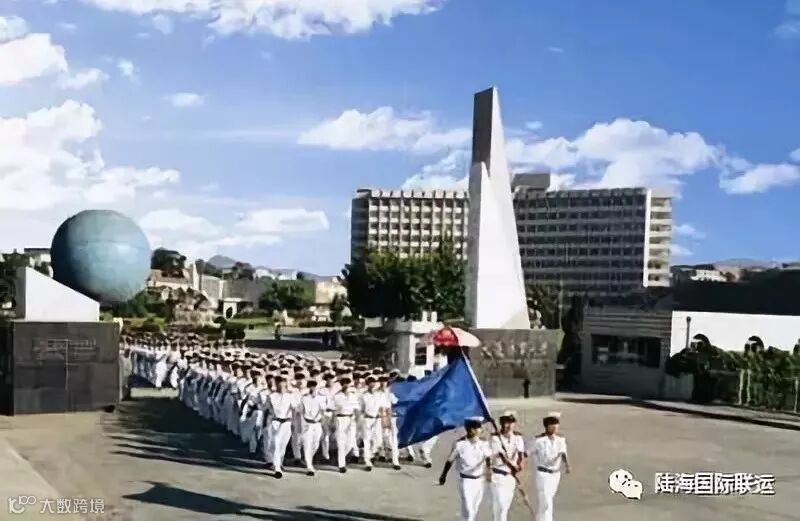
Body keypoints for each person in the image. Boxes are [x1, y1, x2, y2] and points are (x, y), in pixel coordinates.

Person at [438, 417, 492, 521]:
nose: (480, 430)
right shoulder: (459, 444)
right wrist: (443, 475)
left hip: (480, 480)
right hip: (465, 480)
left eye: (479, 427)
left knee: (474, 509)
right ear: (471, 429)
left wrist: (489, 471)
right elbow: (450, 460)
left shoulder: (484, 443)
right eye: (477, 427)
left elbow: (488, 457)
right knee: (468, 509)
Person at [529, 412, 570, 521]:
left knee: (547, 500)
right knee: (546, 501)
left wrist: (567, 465)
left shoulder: (560, 440)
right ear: (547, 426)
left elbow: (563, 452)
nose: (555, 427)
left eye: (556, 425)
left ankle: (540, 519)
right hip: (543, 474)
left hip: (555, 474)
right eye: (552, 425)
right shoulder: (538, 440)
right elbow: (526, 452)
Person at [490, 411, 527, 521]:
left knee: (504, 506)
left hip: (511, 476)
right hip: (498, 475)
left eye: (511, 422)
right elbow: (502, 456)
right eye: (507, 422)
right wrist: (512, 466)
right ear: (502, 423)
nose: (509, 425)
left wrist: (520, 465)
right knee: (501, 505)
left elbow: (521, 454)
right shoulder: (495, 438)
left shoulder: (518, 437)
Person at [266, 376, 297, 479]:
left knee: (283, 445)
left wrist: (294, 423)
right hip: (275, 422)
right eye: (279, 384)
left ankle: (279, 462)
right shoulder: (271, 396)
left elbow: (295, 409)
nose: (281, 387)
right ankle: (277, 468)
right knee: (276, 443)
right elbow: (266, 409)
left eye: (283, 385)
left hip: (286, 423)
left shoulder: (290, 396)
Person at [300, 380, 326, 476]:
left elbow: (323, 411)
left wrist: (322, 423)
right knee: (307, 445)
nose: (312, 388)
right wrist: (303, 424)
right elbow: (301, 412)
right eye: (310, 386)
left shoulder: (321, 398)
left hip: (317, 424)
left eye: (314, 386)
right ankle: (309, 467)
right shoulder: (304, 398)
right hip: (308, 423)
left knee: (316, 444)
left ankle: (308, 459)